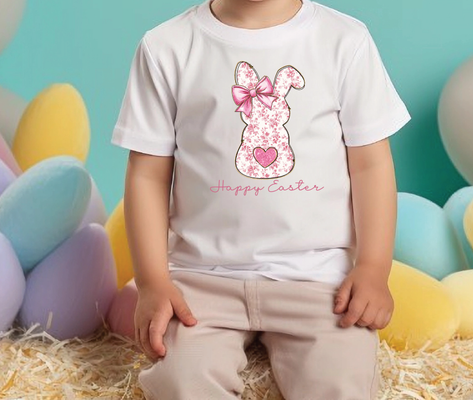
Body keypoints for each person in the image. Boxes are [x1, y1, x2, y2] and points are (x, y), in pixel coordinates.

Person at [111, 0, 411, 398]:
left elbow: (370, 164)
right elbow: (148, 174)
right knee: (181, 381)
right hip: (202, 283)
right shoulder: (167, 46)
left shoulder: (344, 41)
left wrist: (373, 268)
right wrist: (152, 281)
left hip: (318, 282)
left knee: (342, 383)